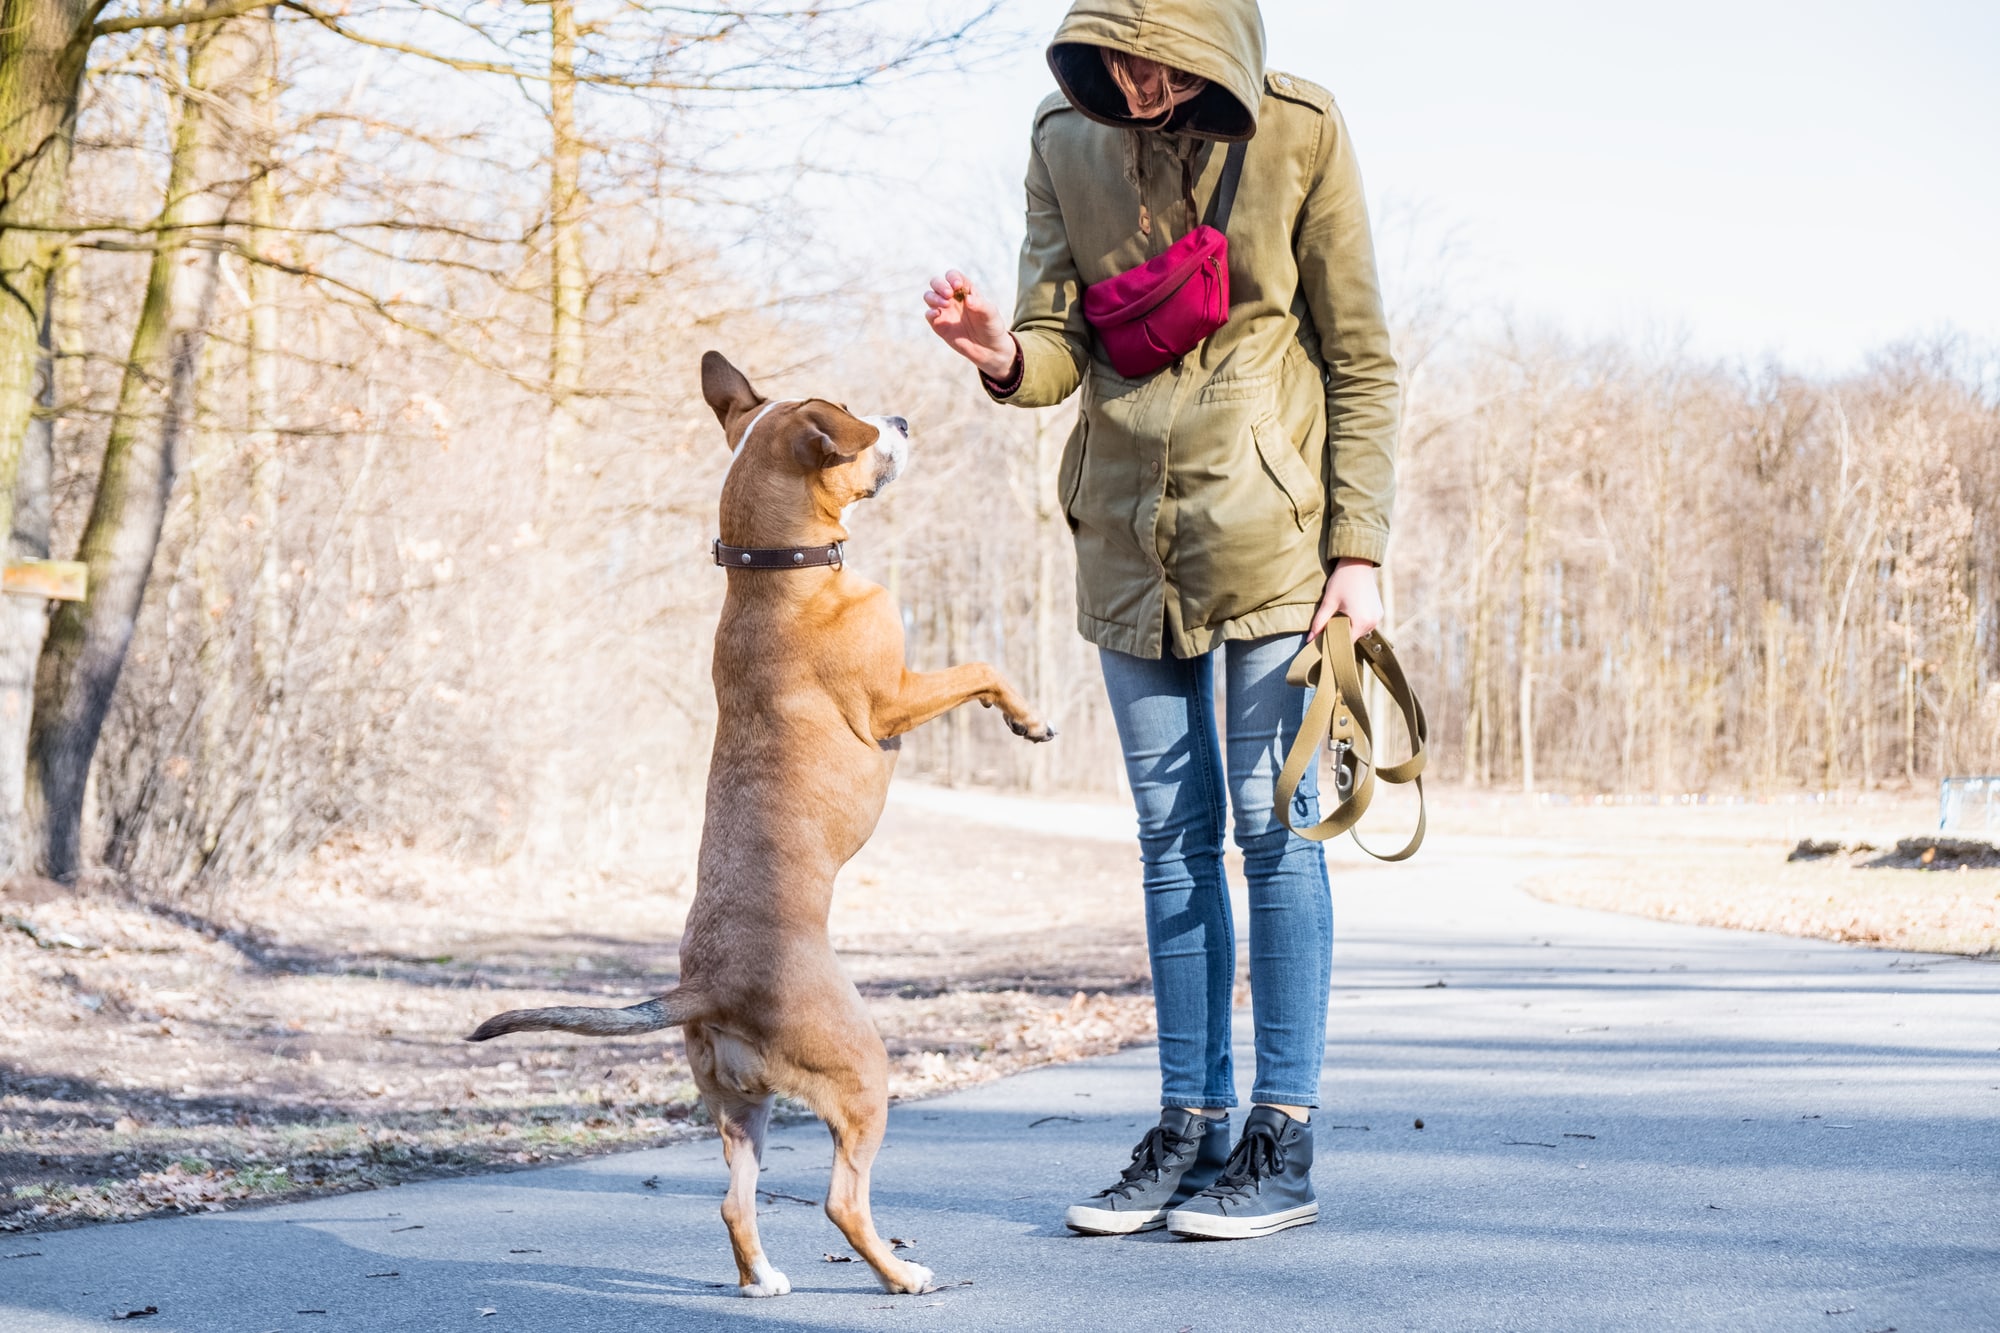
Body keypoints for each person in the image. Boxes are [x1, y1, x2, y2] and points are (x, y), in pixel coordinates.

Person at [922, 0, 1398, 1241]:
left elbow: (1358, 357)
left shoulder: (1297, 130)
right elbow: (1054, 346)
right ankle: (1189, 1126)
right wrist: (992, 352)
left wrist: (1358, 548)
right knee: (1165, 838)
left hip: (1273, 539)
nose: (1133, 82)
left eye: (1157, 57)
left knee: (1270, 825)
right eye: (1114, 57)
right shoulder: (1059, 137)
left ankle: (1280, 1138)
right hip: (1122, 536)